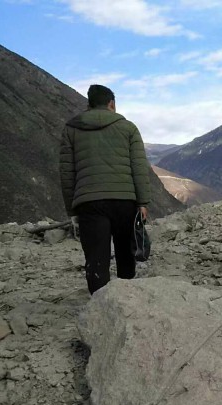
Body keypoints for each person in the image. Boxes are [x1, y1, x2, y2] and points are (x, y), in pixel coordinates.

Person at [59, 84, 151, 294]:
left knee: (96, 257)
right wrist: (143, 202)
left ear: (89, 104)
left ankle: (99, 302)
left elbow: (67, 173)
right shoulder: (128, 128)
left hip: (89, 203)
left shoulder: (71, 129)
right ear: (112, 104)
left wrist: (71, 209)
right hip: (125, 201)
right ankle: (126, 297)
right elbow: (139, 168)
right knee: (125, 252)